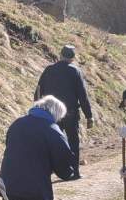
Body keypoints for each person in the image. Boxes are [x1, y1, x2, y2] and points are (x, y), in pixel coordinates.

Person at [34, 44, 93, 179]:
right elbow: (82, 96)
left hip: (51, 114)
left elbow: (38, 92)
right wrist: (89, 116)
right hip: (70, 113)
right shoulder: (75, 71)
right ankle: (75, 172)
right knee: (73, 142)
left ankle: (52, 172)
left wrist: (37, 111)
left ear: (60, 55)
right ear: (73, 58)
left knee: (53, 142)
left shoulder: (48, 70)